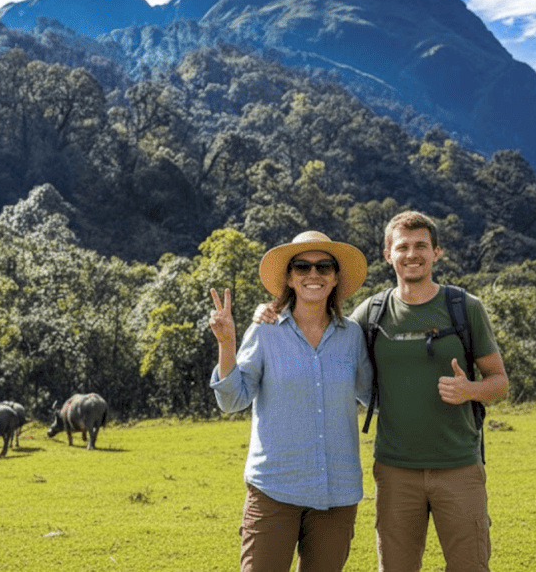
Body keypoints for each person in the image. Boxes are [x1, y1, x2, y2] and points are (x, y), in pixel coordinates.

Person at [255, 211, 508, 572]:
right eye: (402, 246)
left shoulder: (465, 308)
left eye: (421, 245)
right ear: (388, 254)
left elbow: (500, 383)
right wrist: (270, 311)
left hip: (459, 467)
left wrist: (470, 390)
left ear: (437, 252)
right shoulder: (371, 314)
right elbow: (319, 323)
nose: (412, 254)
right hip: (395, 470)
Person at [209, 230, 373, 572]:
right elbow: (233, 400)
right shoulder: (265, 330)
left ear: (335, 277)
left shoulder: (353, 335)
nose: (313, 274)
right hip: (274, 489)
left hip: (337, 494)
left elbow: (375, 396)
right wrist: (227, 344)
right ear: (289, 277)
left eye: (324, 266)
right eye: (302, 266)